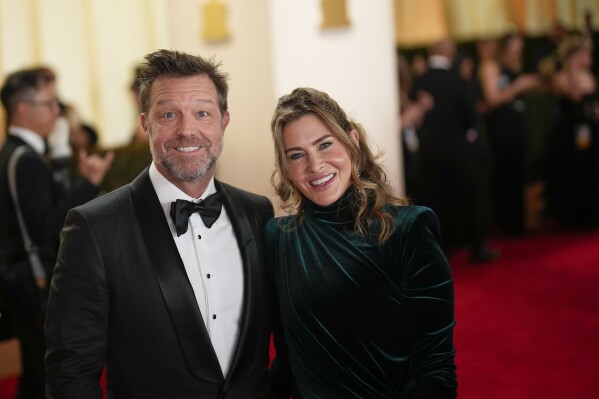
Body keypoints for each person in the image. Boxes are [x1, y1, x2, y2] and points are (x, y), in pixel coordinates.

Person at [44, 49, 290, 398]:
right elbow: (70, 371)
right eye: (169, 114)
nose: (187, 130)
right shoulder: (94, 228)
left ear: (224, 121)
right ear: (146, 123)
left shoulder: (258, 212)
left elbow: (284, 340)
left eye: (202, 113)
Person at [265, 87, 457, 398]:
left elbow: (436, 367)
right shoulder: (277, 238)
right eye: (297, 155)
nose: (314, 166)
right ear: (286, 167)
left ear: (352, 142)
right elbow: (288, 357)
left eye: (325, 145)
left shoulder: (407, 229)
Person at [0, 67, 113, 399]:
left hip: (17, 281)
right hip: (32, 284)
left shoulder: (16, 155)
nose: (56, 111)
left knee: (36, 371)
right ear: (23, 108)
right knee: (44, 373)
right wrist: (88, 184)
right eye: (49, 103)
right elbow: (52, 227)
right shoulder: (26, 160)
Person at [411, 38, 497, 263]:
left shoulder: (418, 82)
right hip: (459, 150)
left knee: (436, 200)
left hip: (429, 151)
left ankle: (441, 251)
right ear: (450, 54)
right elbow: (471, 116)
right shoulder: (459, 80)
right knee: (471, 198)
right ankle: (478, 249)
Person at [479, 32, 542, 236]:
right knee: (504, 173)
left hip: (516, 124)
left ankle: (516, 222)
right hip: (501, 126)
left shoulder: (513, 65)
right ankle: (506, 224)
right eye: (514, 48)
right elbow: (493, 98)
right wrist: (519, 86)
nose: (517, 52)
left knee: (516, 172)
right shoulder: (490, 66)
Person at [546, 33, 599, 228]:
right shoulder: (560, 78)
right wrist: (573, 70)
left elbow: (590, 101)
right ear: (573, 56)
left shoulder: (589, 75)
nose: (589, 57)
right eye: (584, 53)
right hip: (568, 133)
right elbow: (575, 96)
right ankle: (574, 215)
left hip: (589, 130)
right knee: (573, 170)